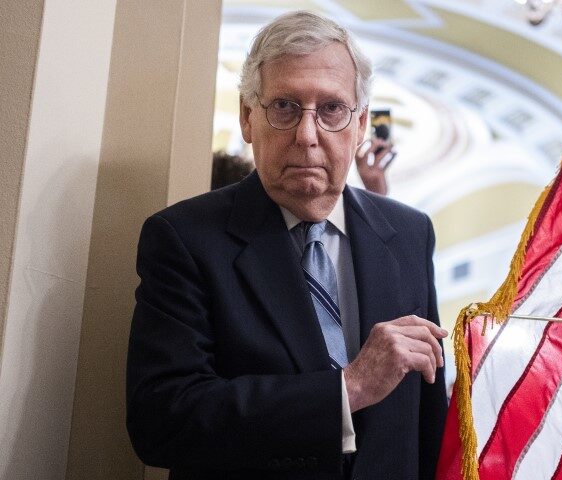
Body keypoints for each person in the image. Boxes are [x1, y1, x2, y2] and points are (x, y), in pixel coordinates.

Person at [127, 10, 447, 480]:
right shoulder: (185, 238)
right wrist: (347, 389)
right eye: (284, 107)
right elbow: (161, 420)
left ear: (359, 126)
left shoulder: (409, 234)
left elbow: (427, 418)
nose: (307, 135)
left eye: (332, 109)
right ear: (247, 117)